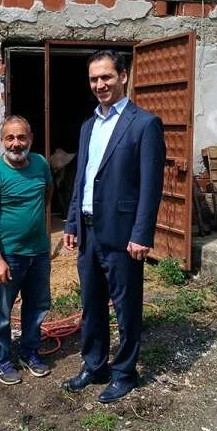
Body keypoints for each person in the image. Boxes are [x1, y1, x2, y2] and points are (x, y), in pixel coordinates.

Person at [62, 50, 165, 403]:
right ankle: (95, 365)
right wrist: (72, 222)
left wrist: (141, 233)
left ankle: (124, 372)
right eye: (94, 79)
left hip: (122, 234)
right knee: (91, 303)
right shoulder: (88, 125)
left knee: (126, 306)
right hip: (89, 230)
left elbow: (151, 186)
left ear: (123, 76)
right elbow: (82, 178)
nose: (99, 85)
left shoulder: (144, 124)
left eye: (106, 77)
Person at [0, 116, 53, 385]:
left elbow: (47, 195)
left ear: (30, 139)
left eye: (21, 137)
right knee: (1, 312)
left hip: (39, 253)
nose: (16, 143)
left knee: (37, 306)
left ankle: (29, 352)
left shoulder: (41, 164)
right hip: (8, 255)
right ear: (2, 141)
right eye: (10, 138)